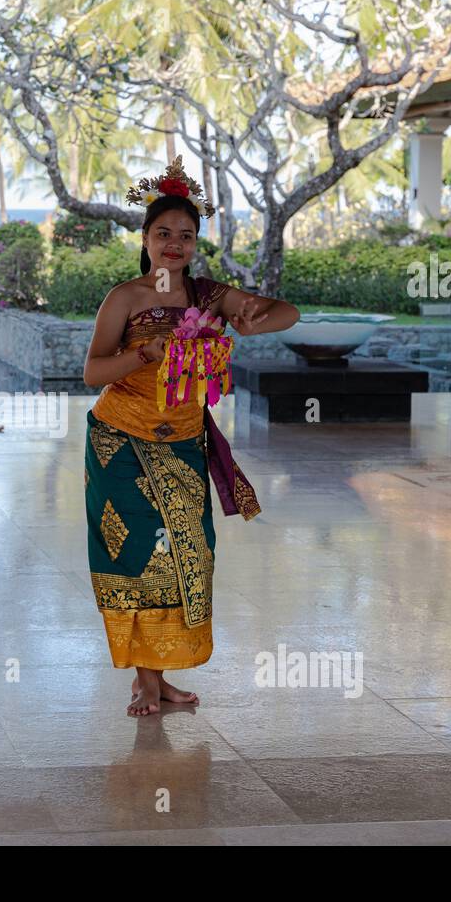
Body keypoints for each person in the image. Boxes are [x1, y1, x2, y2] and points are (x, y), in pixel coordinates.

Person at [83, 157, 300, 717]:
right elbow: (92, 372)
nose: (174, 244)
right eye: (163, 234)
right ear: (146, 239)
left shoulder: (208, 296)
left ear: (195, 243)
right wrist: (141, 355)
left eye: (186, 235)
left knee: (187, 555)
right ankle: (147, 683)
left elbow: (288, 313)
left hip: (181, 441)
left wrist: (257, 316)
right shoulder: (125, 297)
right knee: (140, 557)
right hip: (121, 442)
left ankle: (154, 678)